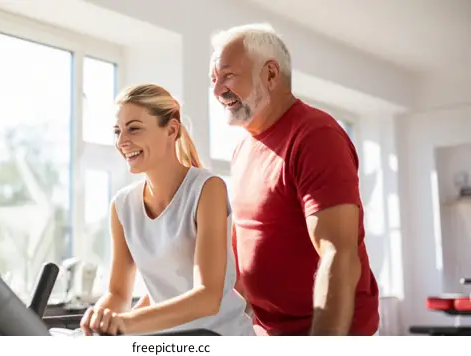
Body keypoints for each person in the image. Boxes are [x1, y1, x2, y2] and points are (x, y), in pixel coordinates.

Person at [209, 23, 380, 336]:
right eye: (214, 78)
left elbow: (339, 256)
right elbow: (247, 245)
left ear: (271, 74)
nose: (217, 89)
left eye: (228, 75)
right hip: (268, 332)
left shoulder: (315, 136)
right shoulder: (243, 148)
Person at [79, 83, 256, 336]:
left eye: (134, 129)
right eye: (117, 131)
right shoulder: (122, 206)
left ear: (172, 130)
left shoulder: (207, 189)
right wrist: (98, 319)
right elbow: (117, 294)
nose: (122, 141)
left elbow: (208, 297)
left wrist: (128, 323)